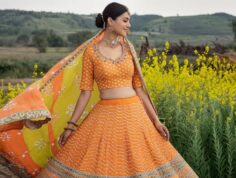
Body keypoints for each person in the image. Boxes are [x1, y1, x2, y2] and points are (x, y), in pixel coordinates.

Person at [0, 2, 199, 178]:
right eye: (125, 20)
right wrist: (70, 126)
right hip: (105, 117)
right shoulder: (91, 53)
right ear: (110, 21)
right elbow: (85, 92)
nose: (129, 25)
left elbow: (139, 88)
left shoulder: (129, 50)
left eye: (129, 21)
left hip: (135, 116)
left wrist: (156, 120)